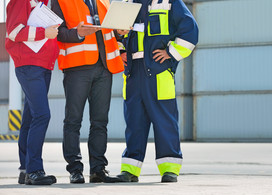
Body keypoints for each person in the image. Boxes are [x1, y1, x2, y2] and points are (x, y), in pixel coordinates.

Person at [117, 0, 199, 183]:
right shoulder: (125, 3)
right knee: (134, 121)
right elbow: (113, 33)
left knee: (165, 122)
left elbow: (190, 29)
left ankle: (169, 169)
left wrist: (171, 52)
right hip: (132, 72)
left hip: (158, 71)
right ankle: (130, 169)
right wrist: (120, 49)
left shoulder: (169, 2)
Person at [51, 0, 128, 183]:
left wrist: (120, 33)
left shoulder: (105, 1)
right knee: (73, 121)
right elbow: (57, 32)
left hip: (104, 67)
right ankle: (75, 169)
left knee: (100, 121)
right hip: (77, 68)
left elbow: (111, 32)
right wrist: (77, 33)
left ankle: (98, 170)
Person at [5, 0, 59, 185]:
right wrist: (45, 32)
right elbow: (13, 32)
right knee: (42, 115)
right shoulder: (21, 1)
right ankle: (34, 170)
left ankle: (26, 169)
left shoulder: (44, 3)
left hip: (43, 66)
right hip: (30, 66)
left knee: (30, 117)